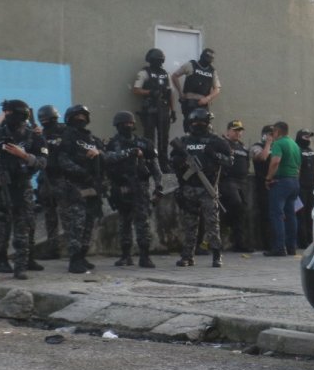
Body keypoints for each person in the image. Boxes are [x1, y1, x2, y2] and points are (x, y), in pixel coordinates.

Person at [0, 99, 47, 281]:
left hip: (22, 187)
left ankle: (20, 267)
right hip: (0, 187)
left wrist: (23, 155)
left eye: (9, 113)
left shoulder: (34, 137)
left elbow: (42, 162)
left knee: (22, 230)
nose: (5, 116)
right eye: (5, 113)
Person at [170, 108, 232, 267]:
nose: (198, 125)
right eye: (196, 122)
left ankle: (216, 255)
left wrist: (214, 155)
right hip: (189, 187)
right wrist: (180, 162)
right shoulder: (184, 142)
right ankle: (187, 256)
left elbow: (229, 161)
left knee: (212, 223)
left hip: (208, 186)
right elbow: (173, 160)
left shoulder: (216, 141)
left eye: (202, 122)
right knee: (189, 224)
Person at [105, 111, 163, 268]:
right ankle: (125, 256)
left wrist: (159, 186)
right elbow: (107, 158)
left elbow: (155, 167)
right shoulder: (113, 144)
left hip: (140, 187)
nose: (128, 126)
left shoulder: (144, 143)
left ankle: (145, 256)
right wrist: (128, 153)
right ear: (117, 126)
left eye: (131, 123)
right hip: (121, 187)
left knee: (142, 222)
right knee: (124, 222)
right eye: (125, 124)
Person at [55, 105, 106, 274]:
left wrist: (98, 154)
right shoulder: (66, 136)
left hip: (91, 187)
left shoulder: (91, 138)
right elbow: (63, 161)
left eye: (84, 116)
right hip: (73, 186)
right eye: (77, 116)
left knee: (89, 223)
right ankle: (74, 259)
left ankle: (82, 256)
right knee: (76, 224)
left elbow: (104, 156)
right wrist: (83, 172)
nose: (81, 119)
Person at [132, 48, 175, 173]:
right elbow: (136, 90)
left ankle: (164, 163)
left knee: (164, 138)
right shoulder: (144, 73)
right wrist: (150, 92)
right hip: (149, 110)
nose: (159, 63)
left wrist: (173, 110)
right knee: (149, 139)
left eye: (160, 61)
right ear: (150, 61)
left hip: (164, 109)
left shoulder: (165, 73)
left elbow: (170, 92)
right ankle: (150, 164)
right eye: (156, 60)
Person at [264, 121, 302, 256]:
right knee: (291, 214)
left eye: (273, 132)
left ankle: (279, 247)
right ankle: (291, 246)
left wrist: (268, 178)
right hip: (294, 182)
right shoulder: (294, 144)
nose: (272, 134)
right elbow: (299, 165)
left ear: (278, 132)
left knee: (277, 214)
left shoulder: (278, 144)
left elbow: (275, 161)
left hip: (281, 182)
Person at [35, 105, 65, 259]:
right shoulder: (40, 134)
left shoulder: (65, 131)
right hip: (46, 178)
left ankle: (74, 250)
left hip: (62, 178)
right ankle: (53, 249)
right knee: (50, 215)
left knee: (66, 215)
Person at [220, 119, 253, 253]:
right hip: (228, 180)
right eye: (235, 131)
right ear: (228, 131)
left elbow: (247, 163)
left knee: (242, 211)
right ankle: (227, 225)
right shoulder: (223, 144)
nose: (238, 133)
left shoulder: (243, 147)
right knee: (236, 203)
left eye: (240, 131)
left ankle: (240, 243)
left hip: (242, 181)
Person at [170, 47, 220, 117]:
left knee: (204, 125)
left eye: (210, 59)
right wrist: (180, 92)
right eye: (207, 58)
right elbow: (174, 76)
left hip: (203, 103)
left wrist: (207, 98)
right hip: (189, 102)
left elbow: (217, 89)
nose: (208, 61)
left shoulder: (212, 70)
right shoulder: (191, 64)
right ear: (202, 56)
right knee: (189, 125)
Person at [249, 124, 275, 251]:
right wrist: (268, 144)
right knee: (265, 214)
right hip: (262, 185)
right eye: (270, 134)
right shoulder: (256, 147)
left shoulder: (276, 146)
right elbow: (263, 157)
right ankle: (266, 243)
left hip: (275, 184)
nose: (272, 137)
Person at [295, 128, 314, 249]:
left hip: (311, 187)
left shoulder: (311, 151)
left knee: (311, 214)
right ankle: (302, 241)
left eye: (310, 137)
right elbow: (297, 169)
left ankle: (310, 239)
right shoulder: (297, 150)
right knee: (301, 214)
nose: (308, 139)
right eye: (306, 137)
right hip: (301, 187)